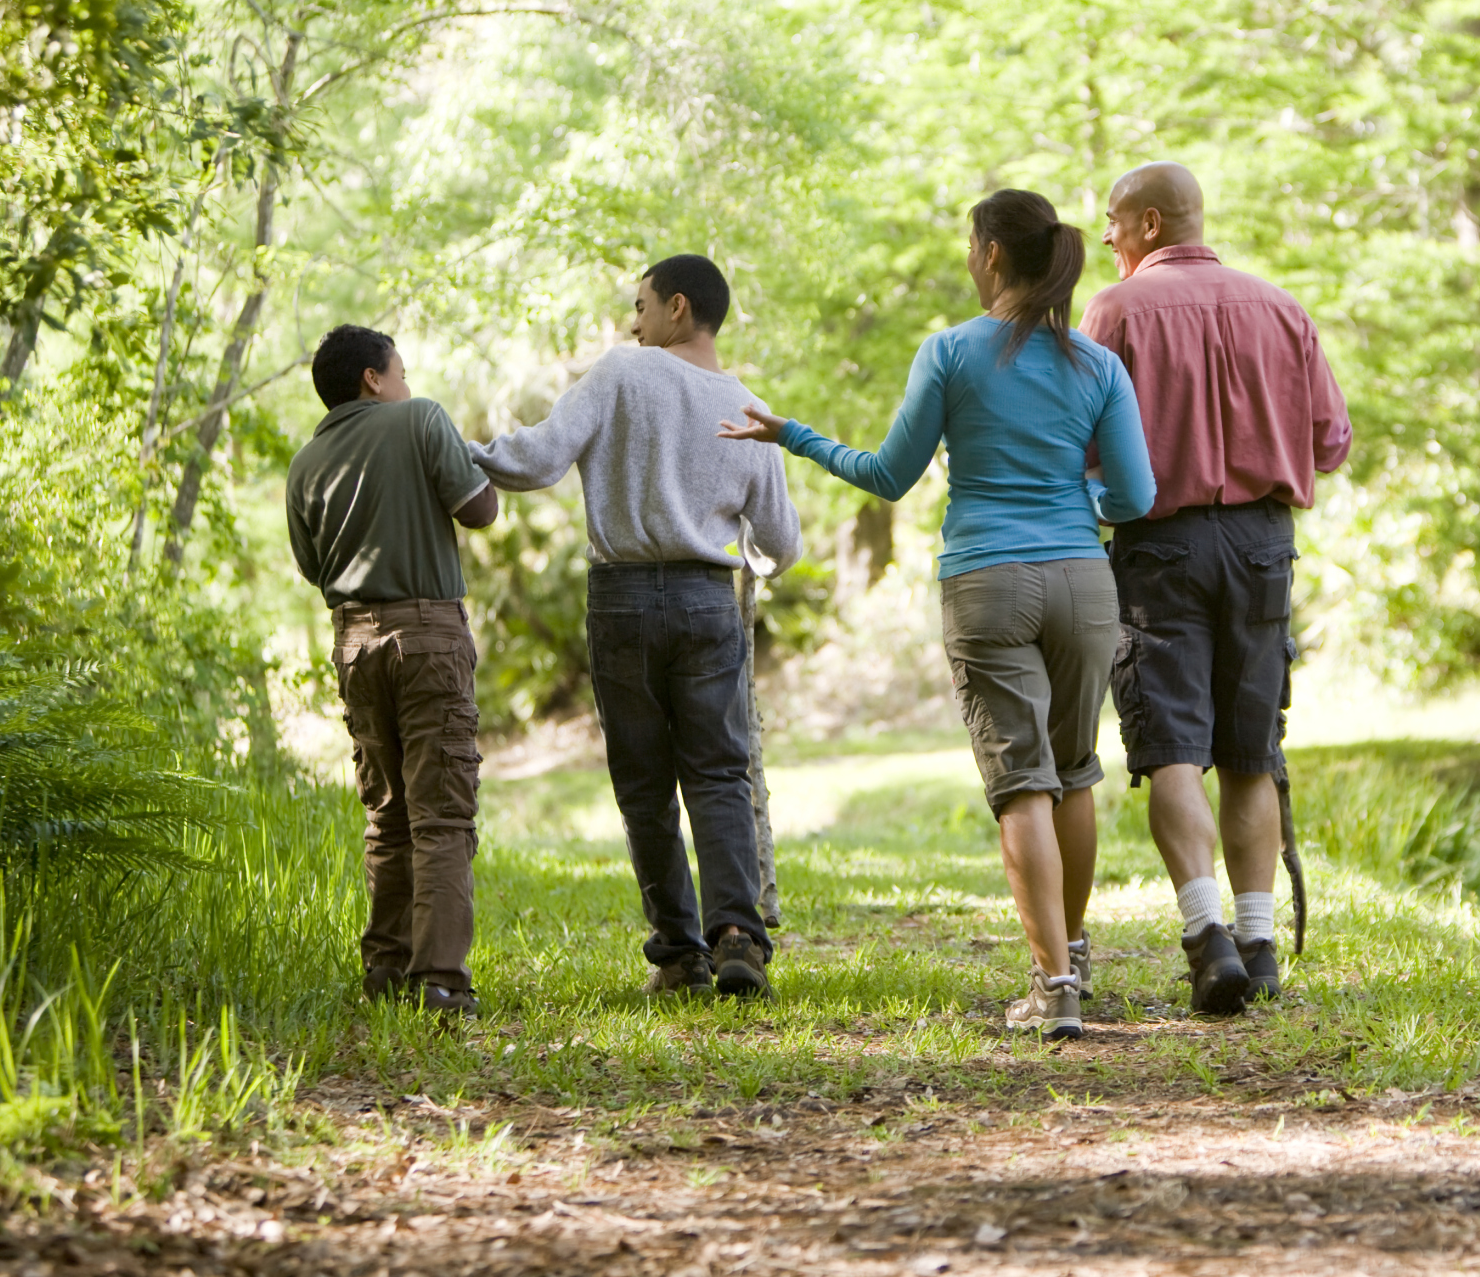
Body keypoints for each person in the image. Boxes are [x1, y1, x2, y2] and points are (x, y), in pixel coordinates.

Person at [720, 189, 1155, 1041]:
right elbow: (1134, 495)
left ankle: (1054, 984)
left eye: (970, 243)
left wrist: (794, 436)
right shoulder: (1098, 365)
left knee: (1020, 782)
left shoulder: (951, 353)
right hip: (1081, 577)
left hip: (988, 578)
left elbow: (888, 474)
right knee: (1073, 771)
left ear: (992, 254)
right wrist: (1075, 494)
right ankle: (1073, 955)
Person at [472, 255, 801, 1000]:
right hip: (708, 600)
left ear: (678, 307)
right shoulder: (748, 405)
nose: (633, 320)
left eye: (641, 303)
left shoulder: (622, 374)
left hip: (621, 599)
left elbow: (539, 458)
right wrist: (740, 551)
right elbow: (782, 544)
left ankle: (680, 955)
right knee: (720, 771)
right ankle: (739, 936)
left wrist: (453, 452)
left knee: (644, 785)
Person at [1082, 161, 1352, 1016]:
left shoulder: (1116, 310)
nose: (1107, 240)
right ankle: (1260, 942)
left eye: (1115, 224)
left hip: (1160, 545)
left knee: (1170, 750)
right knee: (1249, 751)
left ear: (1152, 224)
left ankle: (1207, 940)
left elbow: (1078, 435)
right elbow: (1332, 441)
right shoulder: (1281, 307)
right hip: (1264, 545)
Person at [286, 324, 500, 1017]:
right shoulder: (419, 419)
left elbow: (313, 566)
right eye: (400, 370)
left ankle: (384, 969)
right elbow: (482, 510)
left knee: (388, 815)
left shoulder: (306, 462)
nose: (406, 381)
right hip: (427, 632)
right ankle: (439, 979)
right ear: (373, 379)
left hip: (353, 641)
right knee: (442, 812)